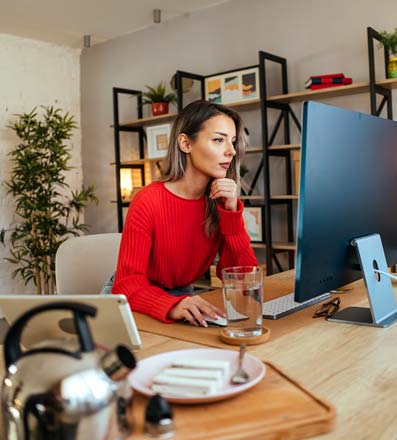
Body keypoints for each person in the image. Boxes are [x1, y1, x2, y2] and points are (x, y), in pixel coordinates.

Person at [112, 100, 258, 326]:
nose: (230, 151)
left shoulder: (218, 203)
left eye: (233, 141)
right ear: (185, 143)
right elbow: (127, 284)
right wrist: (171, 305)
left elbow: (244, 281)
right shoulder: (148, 200)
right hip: (134, 301)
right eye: (219, 140)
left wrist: (231, 213)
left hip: (182, 298)